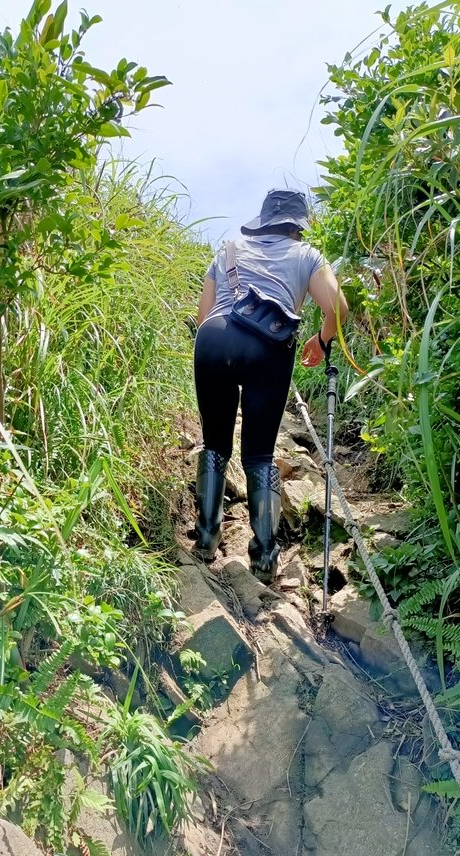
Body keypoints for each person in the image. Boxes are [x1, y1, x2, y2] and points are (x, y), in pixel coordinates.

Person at [192, 189, 348, 580]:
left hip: (213, 339)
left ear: (262, 222)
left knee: (215, 443)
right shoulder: (307, 255)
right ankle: (263, 559)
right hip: (268, 349)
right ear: (297, 226)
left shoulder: (229, 249)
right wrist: (322, 340)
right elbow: (338, 308)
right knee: (259, 455)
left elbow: (203, 314)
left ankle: (206, 539)